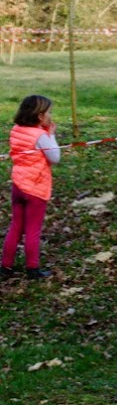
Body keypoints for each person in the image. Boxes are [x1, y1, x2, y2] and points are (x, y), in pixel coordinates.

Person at [5, 95, 60, 280]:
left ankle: (5, 266)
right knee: (33, 229)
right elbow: (55, 158)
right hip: (35, 188)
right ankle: (32, 268)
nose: (51, 116)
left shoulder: (16, 129)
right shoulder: (40, 136)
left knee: (16, 226)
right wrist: (51, 134)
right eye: (49, 112)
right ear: (40, 116)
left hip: (18, 185)